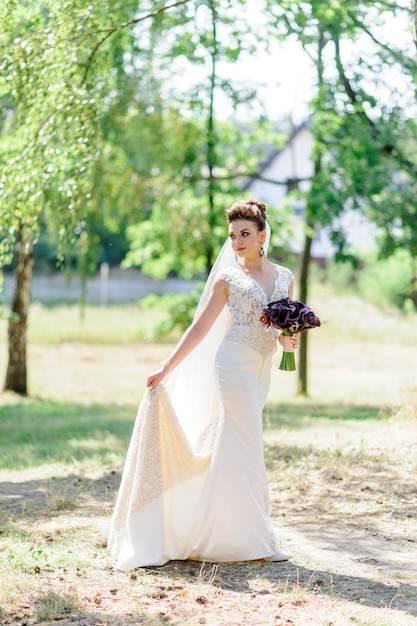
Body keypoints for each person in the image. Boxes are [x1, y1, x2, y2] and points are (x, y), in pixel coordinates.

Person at [108, 199, 298, 569]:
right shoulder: (229, 279)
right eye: (232, 235)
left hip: (261, 371)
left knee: (240, 445)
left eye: (245, 234)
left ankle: (225, 531)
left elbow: (279, 331)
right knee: (247, 444)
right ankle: (253, 539)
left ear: (262, 235)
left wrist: (288, 341)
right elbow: (200, 328)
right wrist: (167, 366)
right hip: (231, 367)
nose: (237, 241)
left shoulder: (284, 277)